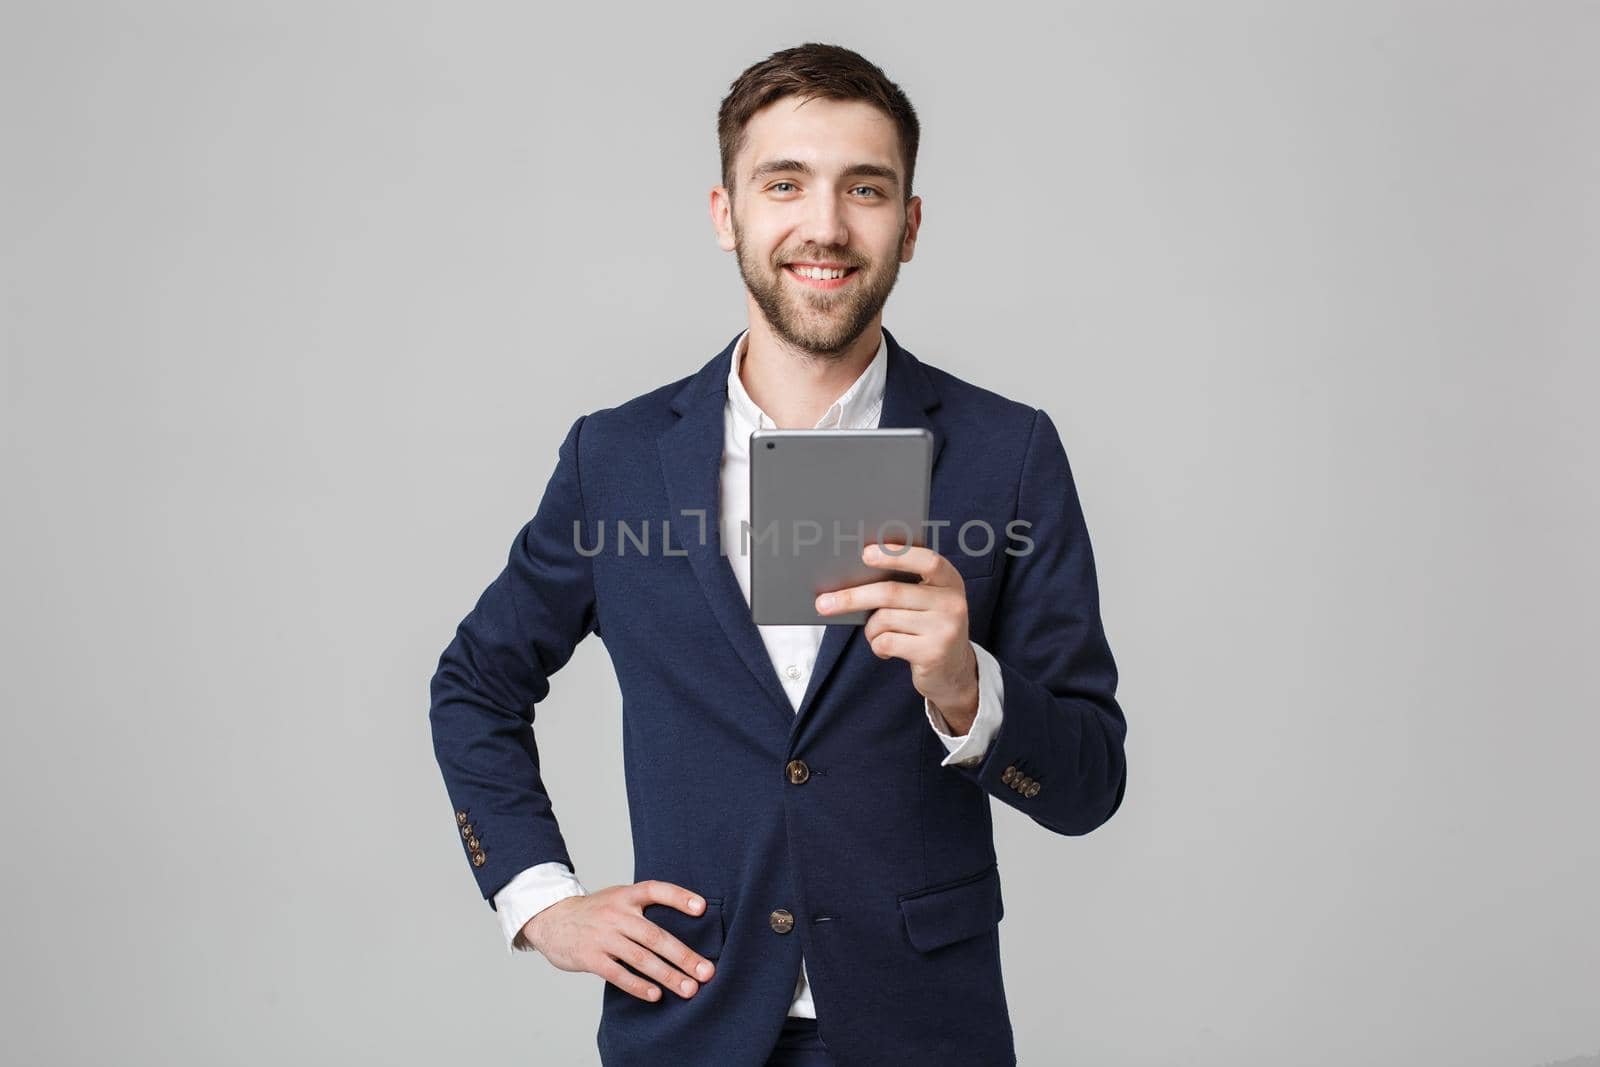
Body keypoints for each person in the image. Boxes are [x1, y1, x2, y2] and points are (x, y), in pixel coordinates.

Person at [429, 42, 1128, 1067]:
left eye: (866, 188)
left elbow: (1090, 782)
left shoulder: (1006, 454)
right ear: (727, 214)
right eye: (785, 183)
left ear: (911, 223)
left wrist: (964, 686)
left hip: (924, 1032)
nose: (826, 225)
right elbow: (475, 683)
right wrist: (541, 901)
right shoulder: (615, 458)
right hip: (690, 1023)